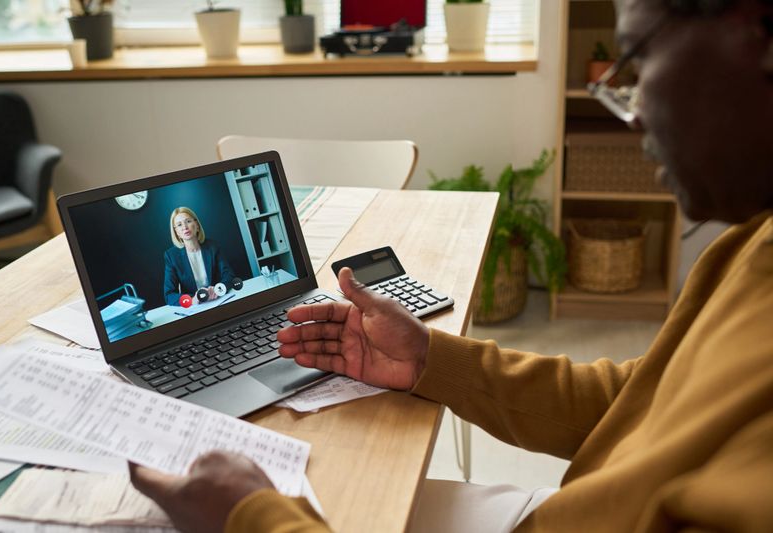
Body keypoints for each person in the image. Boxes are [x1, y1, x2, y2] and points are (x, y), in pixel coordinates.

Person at [131, 1, 773, 531]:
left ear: (755, 31)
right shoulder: (750, 246)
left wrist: (255, 517)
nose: (628, 113)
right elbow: (641, 405)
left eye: (634, 59)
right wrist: (431, 360)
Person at [163, 206, 235, 306]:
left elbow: (229, 275)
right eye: (179, 225)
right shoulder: (171, 256)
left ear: (196, 224)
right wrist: (192, 300)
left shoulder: (213, 247)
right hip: (197, 306)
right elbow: (169, 295)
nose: (185, 227)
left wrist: (218, 289)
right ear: (177, 232)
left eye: (188, 221)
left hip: (219, 300)